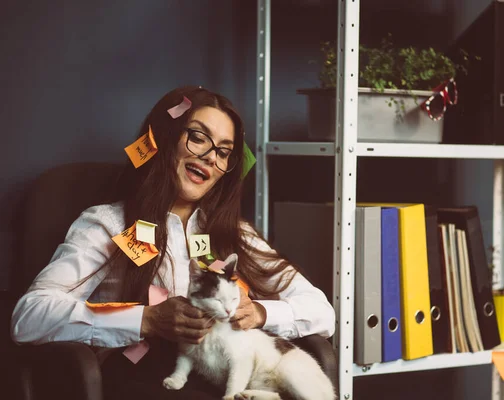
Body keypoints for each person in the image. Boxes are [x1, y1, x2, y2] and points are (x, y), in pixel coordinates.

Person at [10, 86, 336, 399]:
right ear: (164, 138)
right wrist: (146, 319)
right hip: (143, 377)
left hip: (222, 375)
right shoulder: (106, 224)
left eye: (224, 152)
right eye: (198, 137)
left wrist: (261, 313)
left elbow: (322, 311)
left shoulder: (234, 234)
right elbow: (29, 317)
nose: (210, 157)